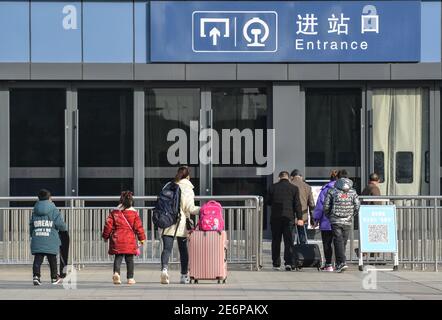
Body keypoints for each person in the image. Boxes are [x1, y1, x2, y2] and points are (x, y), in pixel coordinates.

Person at [160, 166, 200, 284]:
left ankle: (164, 270)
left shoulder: (168, 185)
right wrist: (203, 209)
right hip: (180, 223)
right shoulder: (187, 188)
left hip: (166, 220)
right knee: (183, 250)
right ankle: (183, 276)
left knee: (167, 249)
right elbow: (190, 208)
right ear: (188, 176)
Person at [102, 191, 146, 285]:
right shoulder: (134, 213)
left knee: (118, 258)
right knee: (129, 260)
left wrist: (105, 236)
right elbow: (138, 227)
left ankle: (116, 273)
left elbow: (108, 225)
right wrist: (142, 238)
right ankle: (130, 278)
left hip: (117, 239)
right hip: (129, 240)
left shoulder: (114, 212)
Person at [323, 170, 360, 273]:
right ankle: (341, 262)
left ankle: (341, 263)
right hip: (347, 220)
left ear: (338, 178)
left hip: (335, 220)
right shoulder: (353, 192)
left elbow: (326, 206)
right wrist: (351, 215)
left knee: (338, 240)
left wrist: (329, 216)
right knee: (343, 241)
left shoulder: (332, 191)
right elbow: (357, 205)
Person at [30, 189, 67, 285]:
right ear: (50, 198)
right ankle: (54, 278)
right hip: (51, 238)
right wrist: (64, 229)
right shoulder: (54, 209)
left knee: (38, 259)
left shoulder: (35, 209)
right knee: (52, 259)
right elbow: (60, 224)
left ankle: (36, 276)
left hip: (38, 237)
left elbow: (31, 225)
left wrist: (32, 235)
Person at [267, 171, 302, 271]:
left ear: (279, 177)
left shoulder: (272, 187)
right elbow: (297, 204)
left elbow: (268, 201)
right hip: (289, 218)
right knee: (289, 241)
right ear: (289, 178)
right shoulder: (294, 188)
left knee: (276, 241)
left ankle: (276, 264)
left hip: (275, 218)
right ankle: (288, 263)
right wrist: (299, 218)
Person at [312, 170, 339, 272]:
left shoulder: (325, 189)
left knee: (327, 243)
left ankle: (328, 265)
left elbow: (320, 206)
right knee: (339, 243)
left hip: (326, 221)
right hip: (340, 221)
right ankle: (339, 263)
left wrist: (316, 219)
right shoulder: (343, 189)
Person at [290, 169, 315, 244]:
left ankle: (290, 254)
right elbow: (311, 204)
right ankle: (301, 254)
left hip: (290, 217)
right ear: (301, 177)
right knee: (302, 238)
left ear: (291, 177)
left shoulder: (289, 185)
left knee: (290, 238)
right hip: (303, 217)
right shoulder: (307, 187)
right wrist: (312, 219)